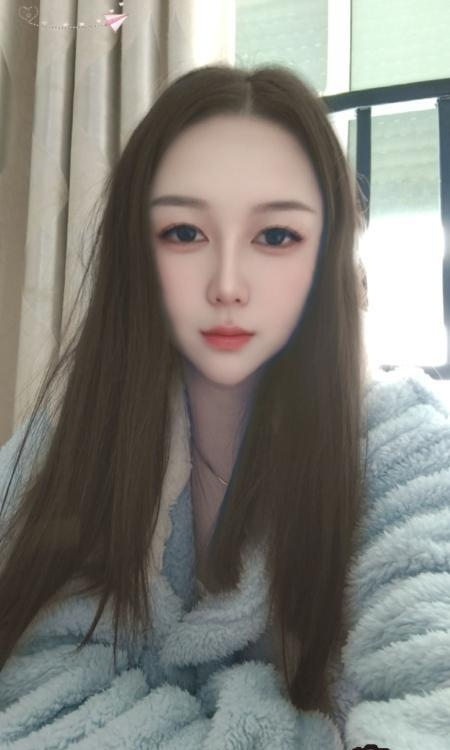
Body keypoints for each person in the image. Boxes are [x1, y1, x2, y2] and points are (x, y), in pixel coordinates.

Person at [0, 63, 449, 750]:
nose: (228, 285)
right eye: (185, 233)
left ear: (326, 253)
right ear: (136, 252)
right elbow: (34, 700)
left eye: (276, 236)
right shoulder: (59, 451)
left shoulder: (408, 451)